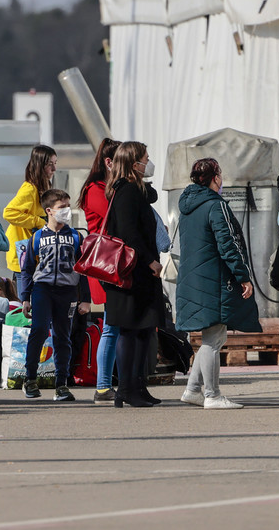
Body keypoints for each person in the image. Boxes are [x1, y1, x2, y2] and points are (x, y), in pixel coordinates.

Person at [175, 158, 257, 410]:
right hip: (214, 280)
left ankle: (192, 390)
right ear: (215, 177)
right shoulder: (215, 205)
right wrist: (243, 275)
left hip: (192, 279)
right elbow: (228, 243)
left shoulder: (187, 206)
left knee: (211, 337)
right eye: (220, 174)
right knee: (214, 337)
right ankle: (212, 395)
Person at [103, 141, 165, 408]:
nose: (148, 163)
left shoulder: (134, 190)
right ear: (133, 163)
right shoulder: (126, 191)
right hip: (132, 272)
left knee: (142, 331)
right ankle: (126, 387)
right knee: (130, 331)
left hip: (138, 272)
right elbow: (129, 232)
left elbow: (150, 198)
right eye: (145, 159)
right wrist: (150, 260)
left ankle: (137, 385)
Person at [18, 188, 90, 402]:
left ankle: (61, 384)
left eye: (68, 206)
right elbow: (27, 269)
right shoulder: (36, 237)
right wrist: (25, 297)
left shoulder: (76, 236)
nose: (66, 211)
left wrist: (85, 298)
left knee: (63, 336)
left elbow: (84, 269)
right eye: (62, 207)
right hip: (43, 290)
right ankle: (30, 379)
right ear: (49, 210)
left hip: (67, 292)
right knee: (38, 331)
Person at [77, 138, 121, 404]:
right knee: (111, 326)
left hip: (111, 262)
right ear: (109, 162)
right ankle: (103, 386)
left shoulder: (105, 187)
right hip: (105, 263)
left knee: (114, 326)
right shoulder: (96, 189)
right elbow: (114, 219)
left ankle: (109, 384)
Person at [4, 145, 56, 282]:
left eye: (55, 164)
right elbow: (9, 213)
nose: (54, 169)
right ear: (39, 165)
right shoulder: (30, 188)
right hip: (23, 253)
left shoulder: (43, 187)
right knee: (25, 299)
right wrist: (39, 222)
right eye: (50, 164)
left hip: (34, 253)